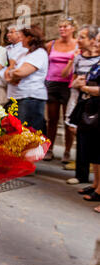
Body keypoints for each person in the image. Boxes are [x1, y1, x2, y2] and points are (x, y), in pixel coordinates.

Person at [68, 30, 100, 210]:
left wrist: (84, 87)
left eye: (98, 41)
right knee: (95, 151)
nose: (96, 43)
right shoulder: (97, 62)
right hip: (92, 106)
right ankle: (96, 184)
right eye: (96, 40)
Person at [44, 16, 79, 162]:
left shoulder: (78, 44)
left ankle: (67, 151)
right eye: (60, 27)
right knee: (52, 119)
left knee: (67, 119)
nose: (62, 29)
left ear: (73, 29)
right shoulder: (51, 44)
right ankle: (49, 148)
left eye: (65, 26)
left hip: (69, 85)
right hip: (52, 83)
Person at [4, 25, 48, 132]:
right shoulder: (23, 53)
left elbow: (21, 72)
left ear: (30, 38)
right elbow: (8, 71)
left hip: (30, 99)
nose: (20, 39)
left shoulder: (39, 53)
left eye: (22, 36)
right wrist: (12, 75)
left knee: (28, 133)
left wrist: (13, 74)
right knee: (16, 133)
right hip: (17, 97)